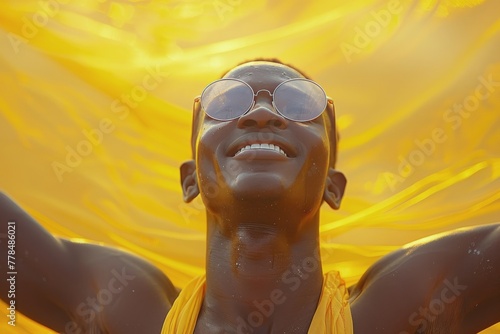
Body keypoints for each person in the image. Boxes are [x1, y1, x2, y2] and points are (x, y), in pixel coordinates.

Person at [1, 59, 499, 334]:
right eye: (227, 101)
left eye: (299, 103)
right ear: (190, 178)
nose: (261, 114)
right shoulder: (125, 311)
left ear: (332, 184)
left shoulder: (402, 307)